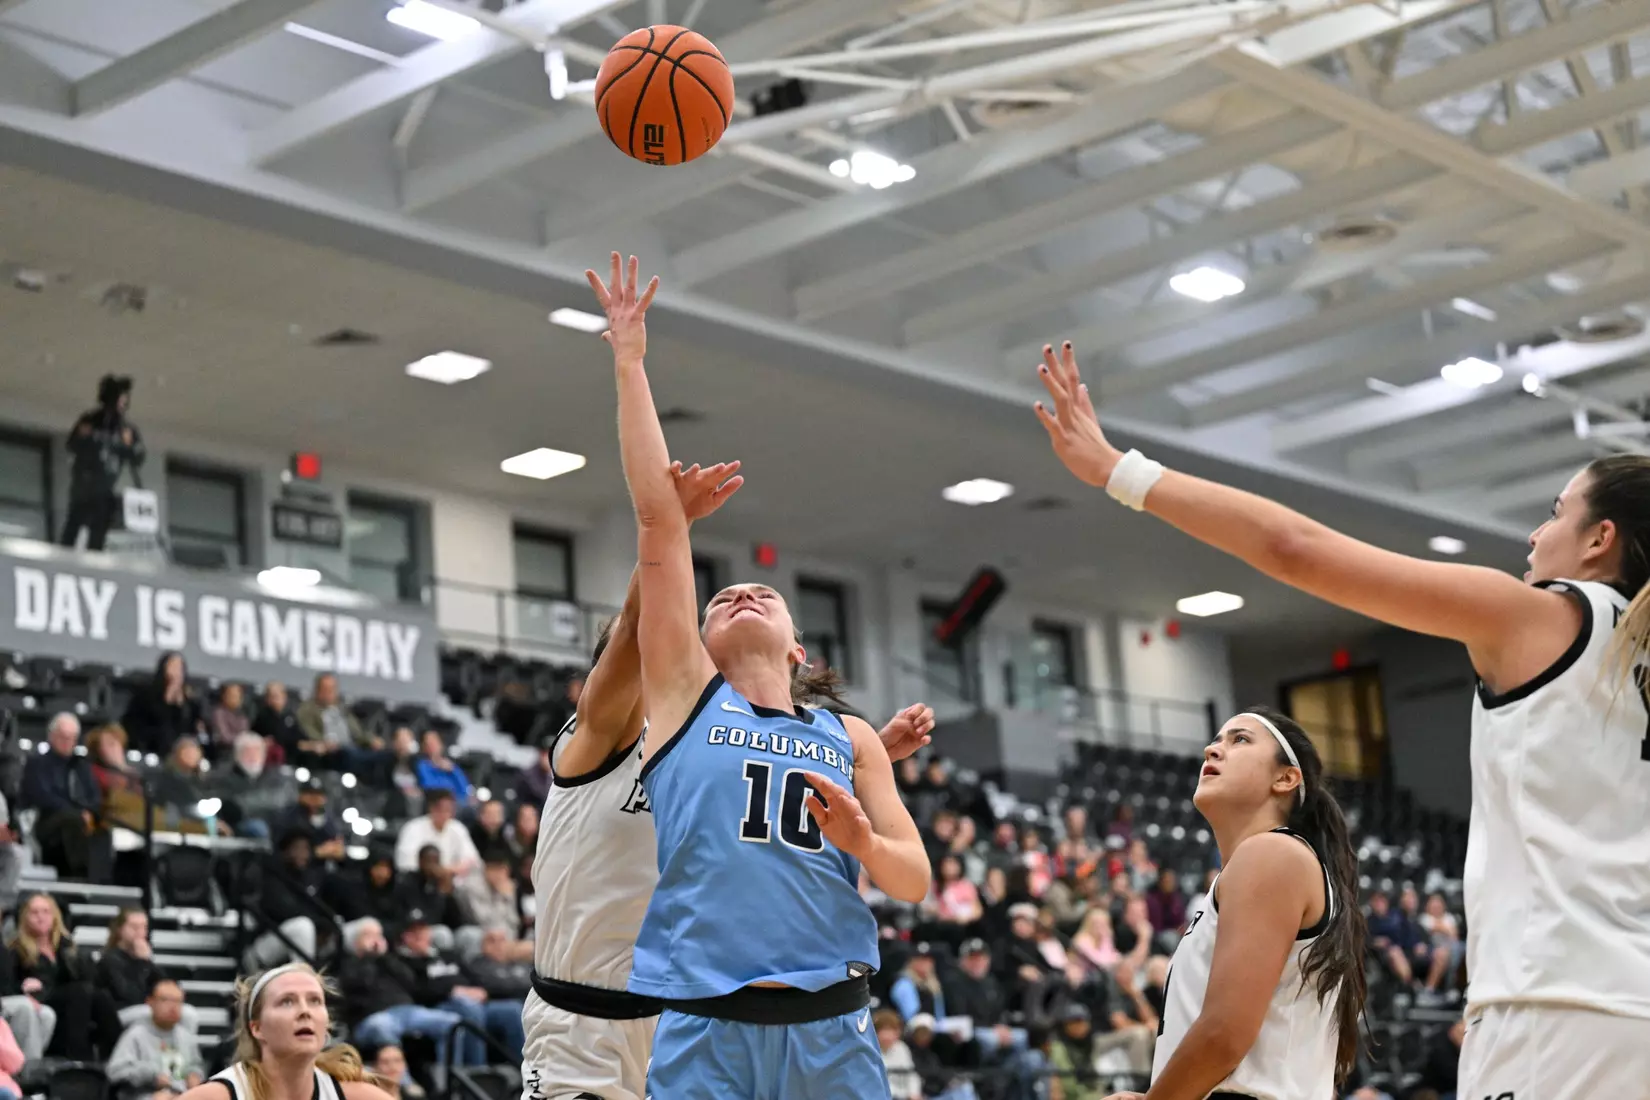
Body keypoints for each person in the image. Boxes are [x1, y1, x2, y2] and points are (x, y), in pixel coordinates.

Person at [1034, 341, 1650, 1098]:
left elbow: (1294, 548)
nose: (1534, 535)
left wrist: (1118, 471)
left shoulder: (1545, 621)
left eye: (1555, 515)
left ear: (1600, 539)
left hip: (1562, 1013)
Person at [522, 410, 933, 1096]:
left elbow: (765, 799)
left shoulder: (735, 734)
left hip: (688, 1006)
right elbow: (643, 626)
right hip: (584, 1017)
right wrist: (668, 528)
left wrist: (866, 759)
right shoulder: (602, 733)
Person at [597, 252, 930, 1099]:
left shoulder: (849, 735)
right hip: (707, 1024)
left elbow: (915, 878)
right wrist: (630, 363)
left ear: (797, 651)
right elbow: (657, 520)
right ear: (699, 645)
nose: (742, 593)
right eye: (721, 599)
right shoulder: (684, 700)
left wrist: (864, 843)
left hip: (832, 1026)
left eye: (765, 594)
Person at [1105, 709, 1365, 1100]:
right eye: (1216, 740)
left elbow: (1225, 1033)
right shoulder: (1264, 864)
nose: (1212, 750)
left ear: (1285, 778)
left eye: (1239, 739)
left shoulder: (1272, 853)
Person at [173, 962, 395, 1100]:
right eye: (287, 1002)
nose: (305, 1011)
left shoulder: (359, 1096)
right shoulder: (218, 1095)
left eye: (315, 1001)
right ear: (257, 1028)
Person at [61, 372, 143, 552]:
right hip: (83, 487)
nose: (123, 403)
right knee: (72, 530)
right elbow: (72, 444)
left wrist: (128, 446)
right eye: (120, 398)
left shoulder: (126, 429)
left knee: (97, 535)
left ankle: (94, 558)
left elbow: (138, 457)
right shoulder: (90, 421)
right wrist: (89, 437)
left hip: (105, 491)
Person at [106, 978, 206, 1100]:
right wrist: (151, 1077)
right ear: (150, 1002)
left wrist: (194, 1075)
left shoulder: (186, 1036)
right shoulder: (135, 1035)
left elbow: (196, 1065)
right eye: (165, 1000)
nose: (173, 1007)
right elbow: (115, 1072)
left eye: (178, 1001)